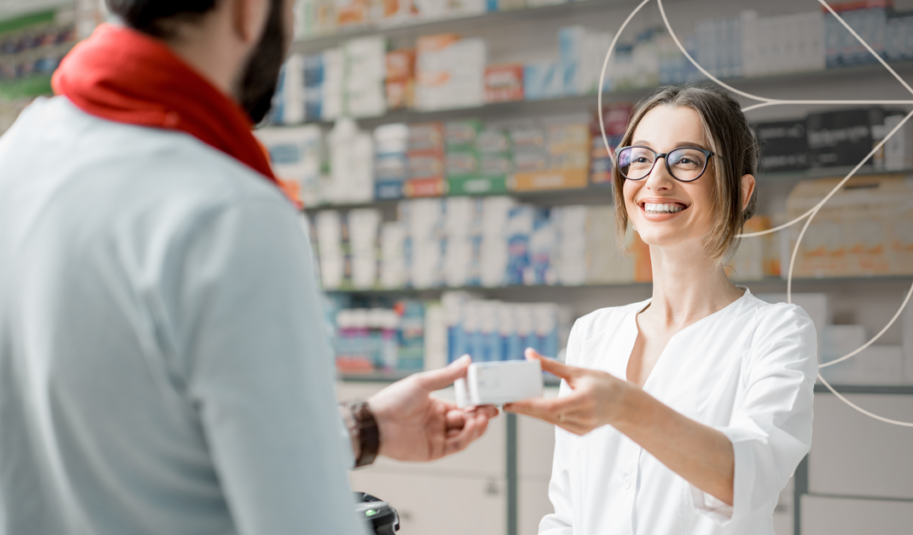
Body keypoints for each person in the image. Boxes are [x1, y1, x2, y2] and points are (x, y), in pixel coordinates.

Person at [0, 1, 497, 534]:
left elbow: (119, 436)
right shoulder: (229, 211)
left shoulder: (19, 155)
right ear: (248, 10)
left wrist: (365, 428)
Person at [505, 86, 818, 534]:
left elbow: (744, 477)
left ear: (742, 191)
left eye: (686, 159)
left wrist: (626, 407)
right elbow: (568, 514)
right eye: (640, 158)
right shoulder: (593, 333)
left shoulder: (775, 332)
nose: (656, 179)